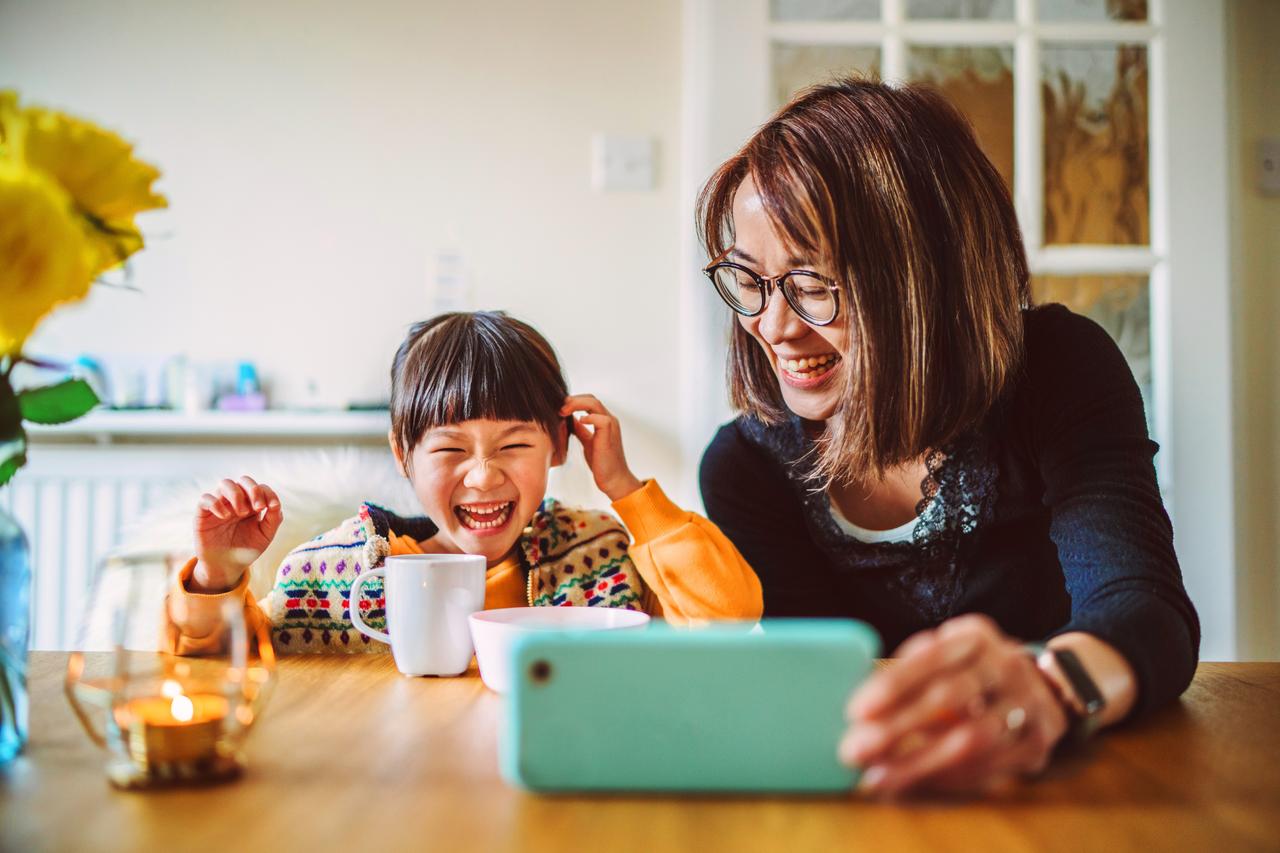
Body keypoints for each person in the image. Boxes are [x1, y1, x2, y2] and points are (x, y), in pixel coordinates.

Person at [696, 78, 1199, 797]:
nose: (773, 326)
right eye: (750, 280)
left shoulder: (1058, 368)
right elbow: (816, 688)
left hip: (1064, 784)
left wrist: (1051, 694)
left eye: (812, 282)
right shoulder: (744, 467)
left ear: (921, 278)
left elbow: (1144, 612)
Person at [166, 311, 762, 655]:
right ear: (403, 453)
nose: (483, 475)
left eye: (514, 445)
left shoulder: (601, 555)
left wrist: (626, 489)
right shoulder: (332, 573)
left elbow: (728, 618)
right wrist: (217, 575)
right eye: (451, 449)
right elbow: (223, 663)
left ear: (558, 445)